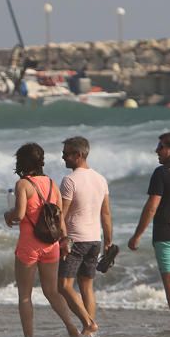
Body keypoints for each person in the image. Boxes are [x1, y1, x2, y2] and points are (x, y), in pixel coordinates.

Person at [4, 143, 89, 337]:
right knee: (52, 291)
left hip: (29, 246)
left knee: (25, 296)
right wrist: (64, 240)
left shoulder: (23, 185)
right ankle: (72, 329)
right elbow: (60, 218)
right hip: (51, 245)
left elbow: (20, 214)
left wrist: (8, 215)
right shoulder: (52, 183)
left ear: (22, 162)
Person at [126, 132, 170, 334]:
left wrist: (137, 235)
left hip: (165, 232)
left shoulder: (162, 172)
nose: (157, 151)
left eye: (161, 147)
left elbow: (152, 206)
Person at [57, 136, 112, 325]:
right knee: (87, 286)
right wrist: (108, 241)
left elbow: (61, 215)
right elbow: (106, 214)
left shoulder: (69, 180)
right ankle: (89, 331)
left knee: (64, 286)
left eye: (66, 154)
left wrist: (62, 239)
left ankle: (89, 323)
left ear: (78, 155)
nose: (63, 157)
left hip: (75, 240)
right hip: (94, 239)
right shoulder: (101, 179)